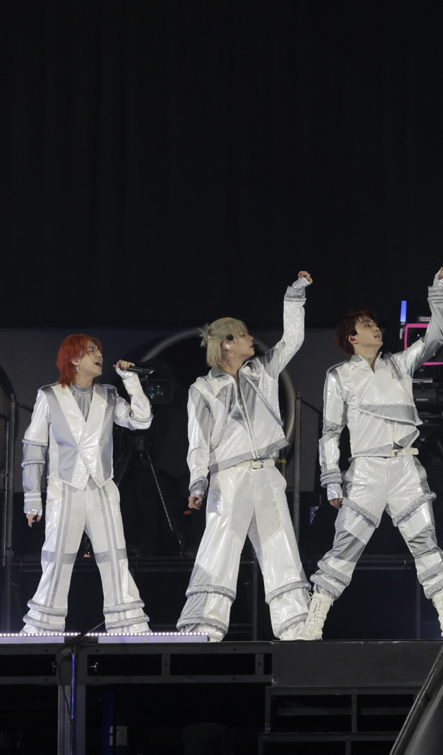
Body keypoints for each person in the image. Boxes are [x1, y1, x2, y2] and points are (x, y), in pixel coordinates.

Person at [298, 269, 443, 640]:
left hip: (405, 466)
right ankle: (313, 623)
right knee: (345, 546)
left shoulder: (399, 364)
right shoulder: (340, 376)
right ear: (352, 337)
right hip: (366, 470)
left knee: (426, 543)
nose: (376, 328)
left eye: (375, 324)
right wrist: (331, 480)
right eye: (367, 325)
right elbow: (330, 432)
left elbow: (436, 337)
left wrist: (438, 293)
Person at [177, 272, 313, 642]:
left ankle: (295, 625)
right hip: (230, 477)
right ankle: (203, 625)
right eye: (243, 334)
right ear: (226, 344)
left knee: (280, 547)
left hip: (266, 474)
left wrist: (294, 295)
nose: (251, 339)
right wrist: (198, 482)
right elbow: (197, 441)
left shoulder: (262, 371)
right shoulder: (203, 389)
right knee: (220, 548)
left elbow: (293, 339)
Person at [21, 335, 153, 634]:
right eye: (91, 351)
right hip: (65, 487)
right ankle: (43, 627)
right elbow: (34, 447)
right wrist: (32, 497)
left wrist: (131, 381)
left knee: (114, 556)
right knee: (57, 557)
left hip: (101, 486)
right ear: (74, 359)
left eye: (99, 351)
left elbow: (141, 420)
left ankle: (128, 625)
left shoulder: (108, 395)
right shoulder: (50, 395)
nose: (99, 356)